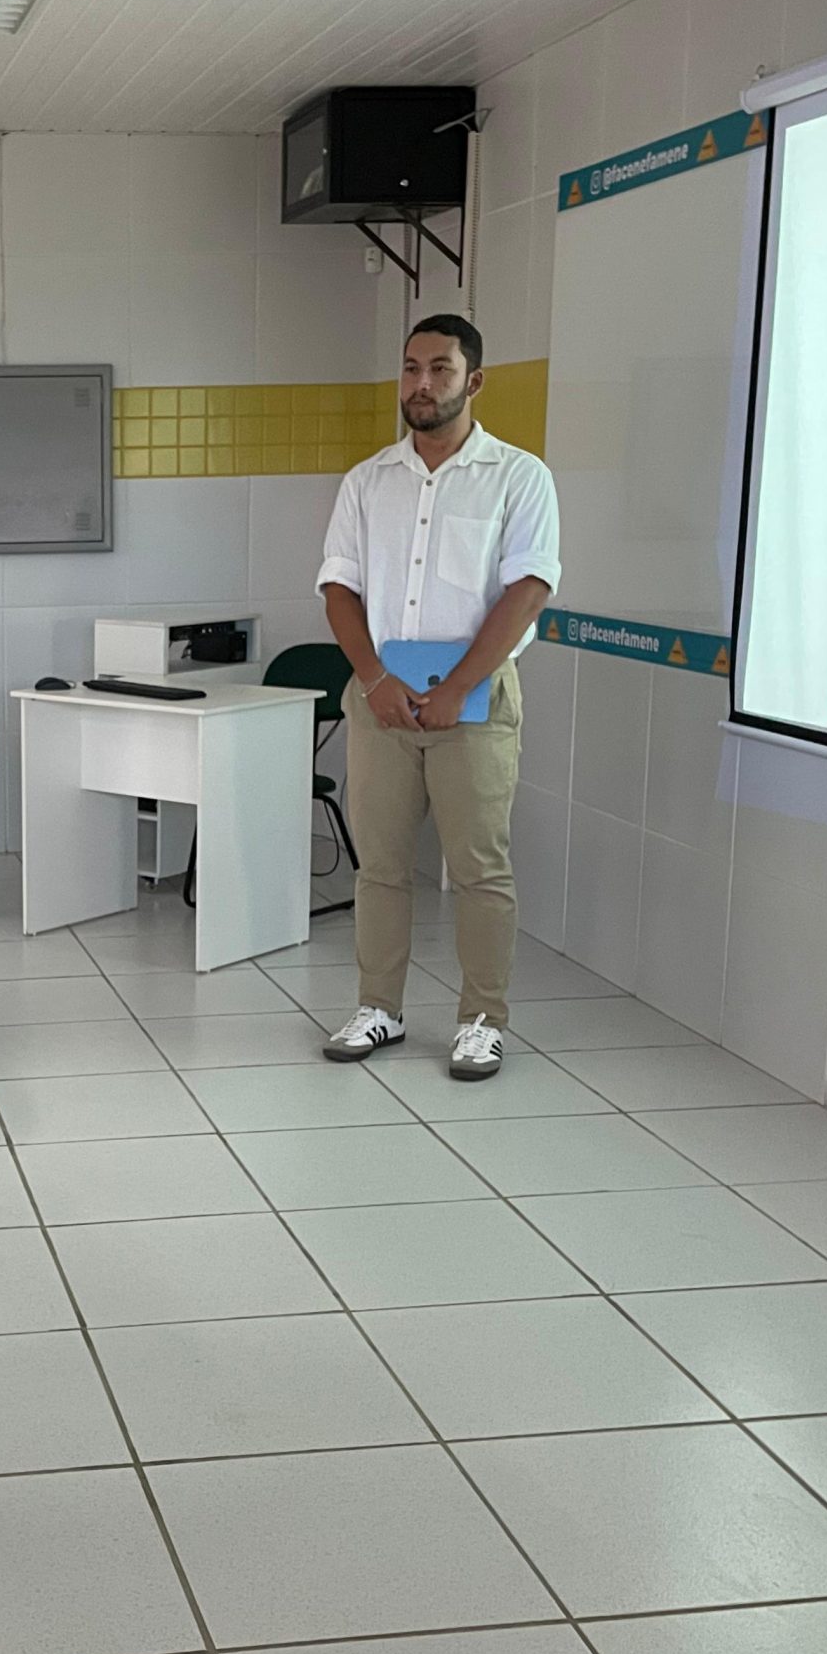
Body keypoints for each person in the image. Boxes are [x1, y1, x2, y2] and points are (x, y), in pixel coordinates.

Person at [316, 312, 561, 1080]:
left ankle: (482, 1019)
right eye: (412, 368)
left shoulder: (518, 476)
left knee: (480, 869)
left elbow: (528, 589)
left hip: (474, 703)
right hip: (382, 699)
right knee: (381, 867)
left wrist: (460, 686)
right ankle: (378, 1008)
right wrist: (373, 679)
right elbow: (339, 587)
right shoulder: (367, 481)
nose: (422, 384)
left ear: (473, 380)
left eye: (441, 369)